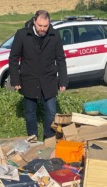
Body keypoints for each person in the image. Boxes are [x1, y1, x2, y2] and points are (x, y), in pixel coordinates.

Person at [9, 10, 68, 140]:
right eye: (40, 26)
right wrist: (15, 80)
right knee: (30, 112)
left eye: (45, 26)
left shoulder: (54, 35)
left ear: (49, 23)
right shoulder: (22, 35)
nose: (42, 29)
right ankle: (32, 137)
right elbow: (13, 58)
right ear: (34, 22)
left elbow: (60, 59)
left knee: (51, 111)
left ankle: (48, 137)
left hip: (49, 79)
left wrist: (63, 80)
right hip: (29, 79)